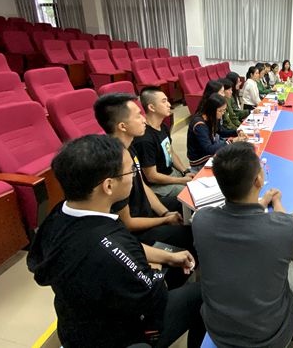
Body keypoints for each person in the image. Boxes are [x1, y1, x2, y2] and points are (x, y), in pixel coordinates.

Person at [27, 135, 205, 348]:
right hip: (116, 335)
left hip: (77, 322)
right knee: (203, 294)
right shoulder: (109, 247)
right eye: (130, 172)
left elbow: (125, 247)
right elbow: (153, 293)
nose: (134, 177)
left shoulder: (59, 216)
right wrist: (155, 268)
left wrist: (168, 256)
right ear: (108, 186)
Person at [192, 142, 293, 348]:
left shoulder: (201, 221)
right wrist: (276, 202)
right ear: (258, 180)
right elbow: (284, 219)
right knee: (292, 275)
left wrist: (262, 201)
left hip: (219, 330)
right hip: (270, 336)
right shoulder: (285, 229)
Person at [94, 93, 197, 285]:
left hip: (146, 211)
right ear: (122, 126)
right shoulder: (114, 164)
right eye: (137, 116)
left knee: (189, 203)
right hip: (136, 232)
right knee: (191, 234)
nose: (143, 119)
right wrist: (164, 220)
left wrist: (164, 212)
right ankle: (172, 287)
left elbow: (142, 185)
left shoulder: (129, 147)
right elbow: (128, 223)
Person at [133, 87, 194, 205]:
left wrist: (185, 171)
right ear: (151, 107)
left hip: (171, 173)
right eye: (164, 101)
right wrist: (181, 180)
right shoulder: (144, 139)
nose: (169, 104)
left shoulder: (163, 126)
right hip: (158, 186)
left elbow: (170, 151)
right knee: (192, 194)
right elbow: (152, 176)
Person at [187, 93, 246, 171]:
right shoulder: (199, 124)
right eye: (220, 111)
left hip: (210, 154)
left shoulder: (212, 117)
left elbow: (221, 131)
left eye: (224, 110)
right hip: (200, 161)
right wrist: (231, 141)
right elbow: (209, 149)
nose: (223, 113)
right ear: (211, 110)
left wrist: (237, 132)